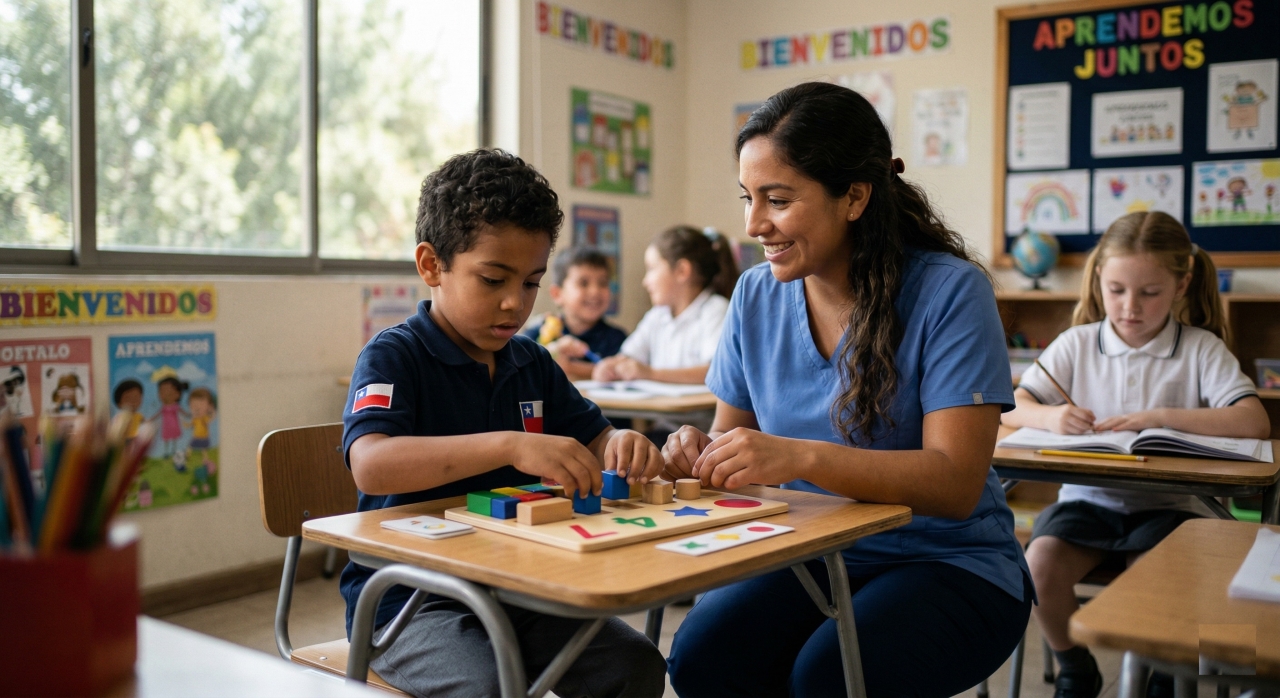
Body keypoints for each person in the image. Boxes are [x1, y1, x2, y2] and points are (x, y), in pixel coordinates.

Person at [663, 81, 1031, 698]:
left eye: (778, 200)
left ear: (855, 196)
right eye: (748, 198)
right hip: (813, 551)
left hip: (948, 563)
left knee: (830, 677)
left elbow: (955, 484)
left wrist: (799, 456)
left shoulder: (950, 292)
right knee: (701, 657)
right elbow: (731, 445)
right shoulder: (755, 295)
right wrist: (698, 453)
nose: (754, 225)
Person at [340, 148, 667, 698]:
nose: (515, 304)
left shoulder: (530, 361)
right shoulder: (394, 356)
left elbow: (597, 435)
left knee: (633, 666)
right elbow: (371, 465)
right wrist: (508, 447)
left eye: (532, 282)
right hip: (410, 599)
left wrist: (623, 443)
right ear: (431, 265)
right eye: (492, 280)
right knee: (488, 689)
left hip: (518, 585)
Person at [1002, 211, 1269, 698]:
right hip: (1086, 505)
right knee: (1037, 565)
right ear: (1099, 277)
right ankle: (1074, 666)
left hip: (1173, 512)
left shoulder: (1200, 349)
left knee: (1151, 587)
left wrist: (1161, 417)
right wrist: (1051, 418)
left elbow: (1252, 421)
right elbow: (1012, 408)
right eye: (1117, 290)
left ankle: (1161, 674)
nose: (1130, 307)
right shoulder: (1078, 343)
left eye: (1149, 293)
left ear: (1183, 284)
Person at [592, 225, 737, 385]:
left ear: (682, 271)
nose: (645, 281)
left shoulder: (715, 310)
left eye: (651, 269)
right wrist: (611, 366)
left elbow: (715, 371)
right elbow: (629, 355)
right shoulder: (657, 315)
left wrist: (650, 373)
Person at [522, 246, 627, 380]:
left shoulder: (616, 339)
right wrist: (553, 351)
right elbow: (521, 366)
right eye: (583, 283)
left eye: (603, 283)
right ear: (557, 294)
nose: (595, 291)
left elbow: (620, 372)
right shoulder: (537, 333)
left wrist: (570, 367)